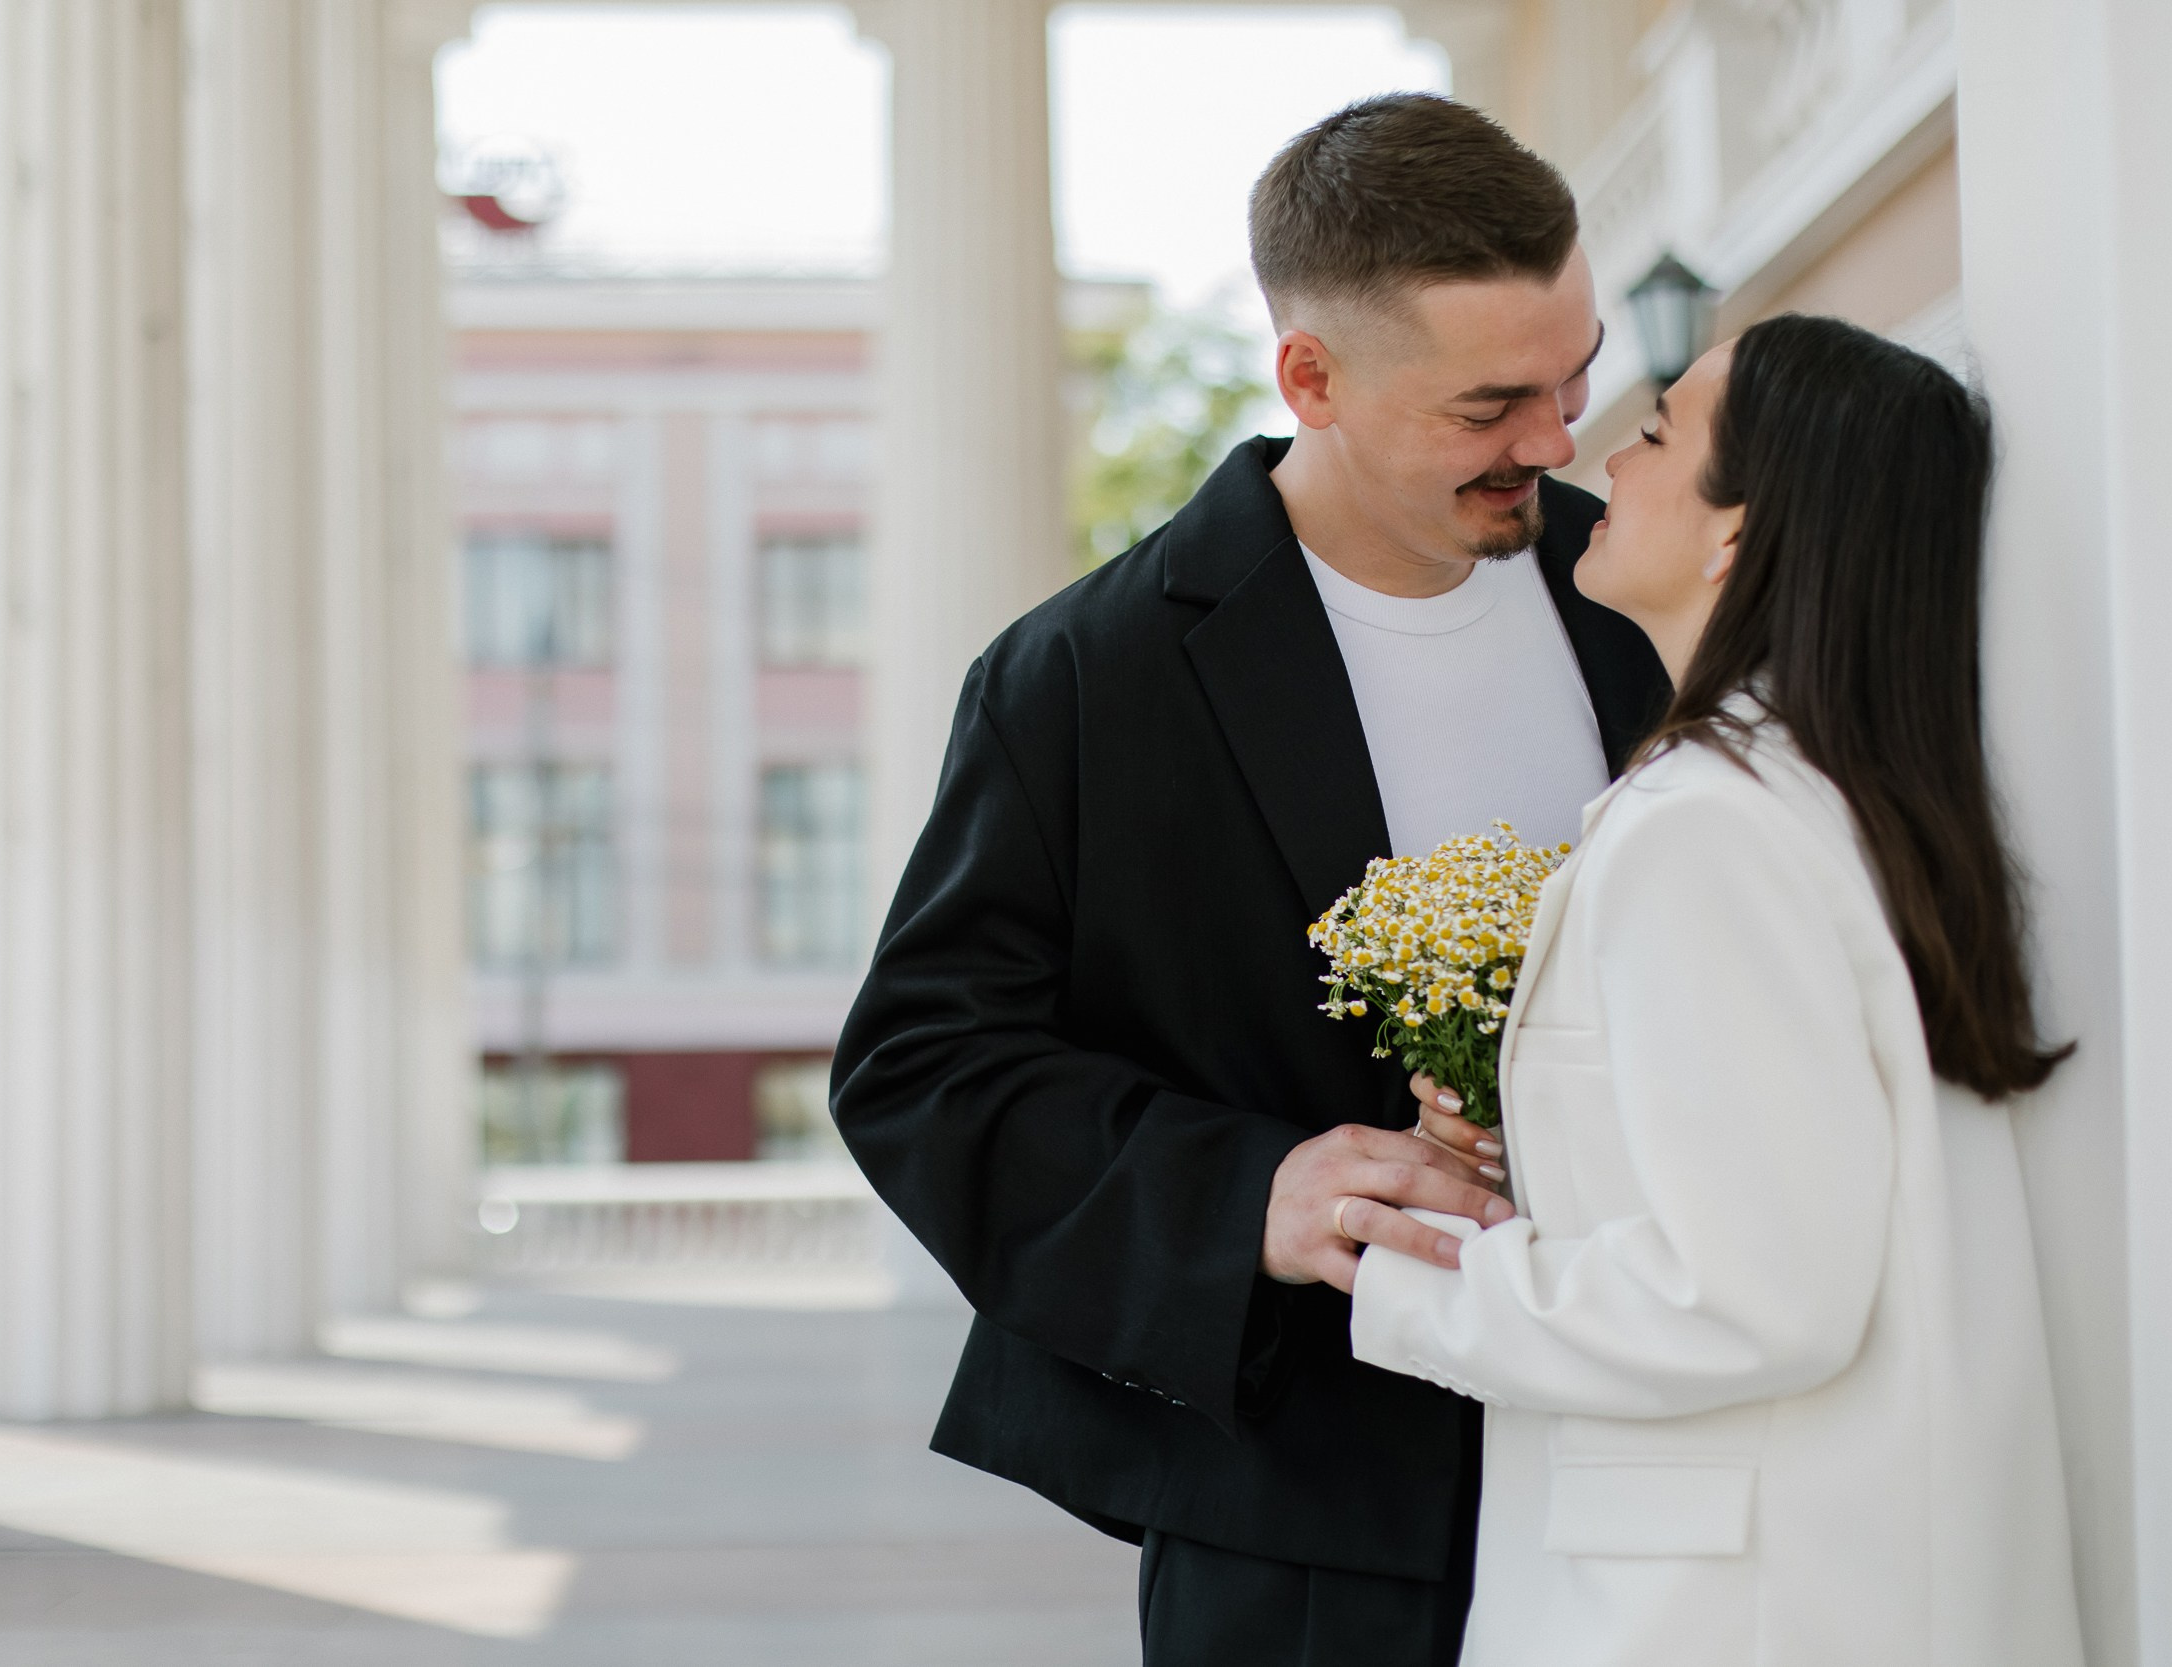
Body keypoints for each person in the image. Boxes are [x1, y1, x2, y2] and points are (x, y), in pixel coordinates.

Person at [830, 95, 1666, 1663]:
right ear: (1311, 377)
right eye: (1492, 405)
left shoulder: (1645, 594)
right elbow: (920, 1071)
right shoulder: (1084, 677)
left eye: (1574, 375)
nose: (1556, 444)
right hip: (1315, 1507)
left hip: (1657, 1471)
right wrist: (1253, 1195)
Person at [1351, 314, 2085, 1666]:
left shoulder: (1712, 826)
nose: (1595, 458)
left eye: (1652, 432)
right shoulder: (1827, 798)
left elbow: (1749, 1292)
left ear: (1737, 536)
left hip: (1724, 1610)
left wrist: (1409, 1276)